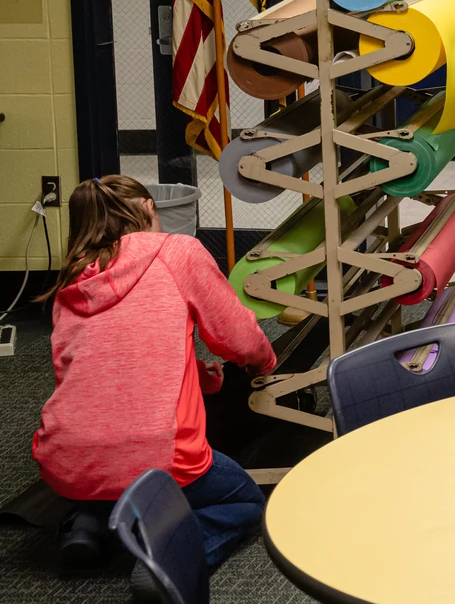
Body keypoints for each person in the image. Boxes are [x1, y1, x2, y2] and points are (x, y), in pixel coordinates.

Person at [35, 175, 278, 590]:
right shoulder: (177, 251)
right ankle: (166, 555)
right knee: (247, 502)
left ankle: (88, 524)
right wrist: (262, 363)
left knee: (102, 463)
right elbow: (236, 336)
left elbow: (93, 373)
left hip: (66, 459)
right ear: (150, 209)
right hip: (161, 457)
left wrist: (197, 376)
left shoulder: (70, 281)